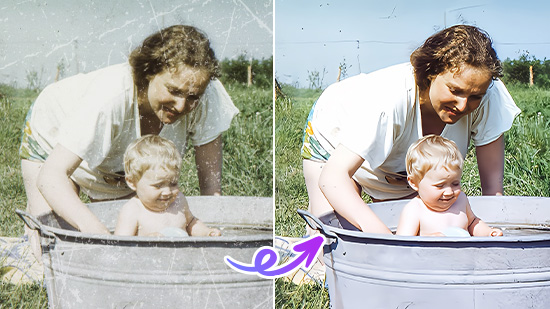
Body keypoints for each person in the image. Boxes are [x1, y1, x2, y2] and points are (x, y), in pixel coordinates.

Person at [20, 25, 238, 239]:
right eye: (173, 91)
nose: (181, 106)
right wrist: (103, 237)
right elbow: (51, 176)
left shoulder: (206, 93)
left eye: (192, 97)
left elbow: (211, 191)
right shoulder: (111, 97)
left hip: (114, 166)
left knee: (139, 225)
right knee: (54, 243)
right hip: (53, 141)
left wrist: (210, 235)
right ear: (149, 73)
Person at [301, 25, 520, 234]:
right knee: (330, 243)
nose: (463, 105)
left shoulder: (488, 94)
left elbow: (493, 194)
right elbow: (332, 178)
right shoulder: (389, 100)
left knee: (417, 227)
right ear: (430, 73)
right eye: (454, 90)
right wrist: (385, 239)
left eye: (474, 97)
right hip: (334, 144)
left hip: (396, 169)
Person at [395, 135, 503, 237]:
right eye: (440, 186)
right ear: (414, 182)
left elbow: (473, 223)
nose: (449, 192)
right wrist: (428, 240)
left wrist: (488, 232)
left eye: (455, 184)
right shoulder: (415, 210)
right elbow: (402, 245)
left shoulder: (461, 200)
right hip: (428, 256)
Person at [114, 135, 221, 237]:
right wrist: (146, 241)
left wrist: (206, 232)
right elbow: (121, 246)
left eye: (173, 183)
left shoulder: (179, 200)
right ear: (132, 182)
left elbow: (192, 223)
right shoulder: (133, 210)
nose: (167, 192)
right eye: (158, 185)